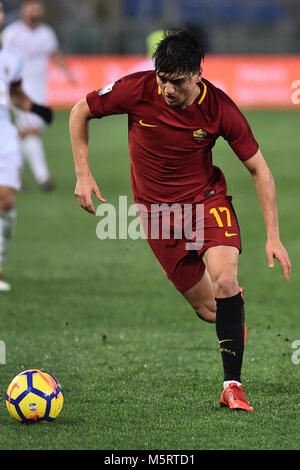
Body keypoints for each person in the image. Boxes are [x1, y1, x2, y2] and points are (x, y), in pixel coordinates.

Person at [69, 29, 291, 411]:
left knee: (224, 279)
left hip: (206, 203)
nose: (167, 90)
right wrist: (83, 173)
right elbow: (80, 111)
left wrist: (273, 235)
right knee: (212, 310)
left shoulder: (219, 108)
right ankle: (231, 312)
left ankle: (232, 386)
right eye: (162, 79)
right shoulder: (137, 90)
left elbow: (261, 171)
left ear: (197, 75)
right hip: (156, 216)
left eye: (177, 81)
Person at [0, 0, 53, 291]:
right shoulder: (12, 39)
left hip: (4, 132)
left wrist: (37, 108)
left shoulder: (11, 56)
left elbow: (15, 93)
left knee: (7, 199)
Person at [2, 0, 74, 190]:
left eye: (38, 6)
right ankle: (44, 178)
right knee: (31, 131)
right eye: (32, 6)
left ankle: (11, 176)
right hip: (20, 92)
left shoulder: (46, 33)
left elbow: (55, 54)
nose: (36, 10)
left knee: (24, 135)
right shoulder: (12, 33)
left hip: (40, 91)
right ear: (24, 9)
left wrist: (67, 72)